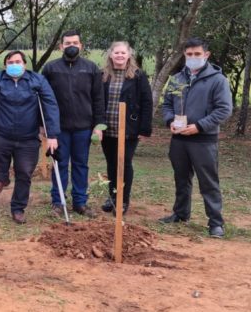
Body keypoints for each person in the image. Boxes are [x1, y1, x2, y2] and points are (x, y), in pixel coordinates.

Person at [0, 50, 60, 224]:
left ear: (24, 64)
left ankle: (18, 208)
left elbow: (50, 105)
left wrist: (52, 135)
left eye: (18, 62)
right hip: (2, 134)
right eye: (10, 62)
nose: (14, 65)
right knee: (0, 161)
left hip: (28, 137)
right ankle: (0, 179)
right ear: (5, 65)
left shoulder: (37, 80)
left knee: (24, 172)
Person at [160, 37, 232, 238]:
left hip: (203, 140)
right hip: (179, 140)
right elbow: (166, 105)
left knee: (208, 182)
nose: (193, 57)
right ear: (184, 55)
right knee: (181, 178)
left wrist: (200, 126)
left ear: (206, 55)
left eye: (197, 54)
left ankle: (216, 222)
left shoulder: (217, 80)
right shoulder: (176, 79)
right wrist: (169, 122)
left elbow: (224, 110)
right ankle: (181, 213)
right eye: (189, 54)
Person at [42, 29, 105, 217]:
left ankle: (80, 202)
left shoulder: (91, 68)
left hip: (84, 128)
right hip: (58, 128)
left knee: (81, 165)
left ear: (81, 46)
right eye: (68, 43)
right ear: (61, 46)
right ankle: (58, 202)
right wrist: (43, 126)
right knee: (59, 164)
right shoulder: (50, 68)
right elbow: (42, 99)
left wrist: (99, 125)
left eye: (75, 43)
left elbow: (98, 99)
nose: (71, 46)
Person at [99, 41, 153, 215]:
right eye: (117, 53)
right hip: (108, 129)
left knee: (124, 163)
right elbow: (97, 101)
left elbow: (147, 102)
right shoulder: (103, 75)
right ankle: (112, 196)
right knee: (111, 164)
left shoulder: (138, 76)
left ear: (129, 55)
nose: (120, 56)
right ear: (111, 55)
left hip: (129, 129)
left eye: (123, 53)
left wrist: (145, 129)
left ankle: (123, 199)